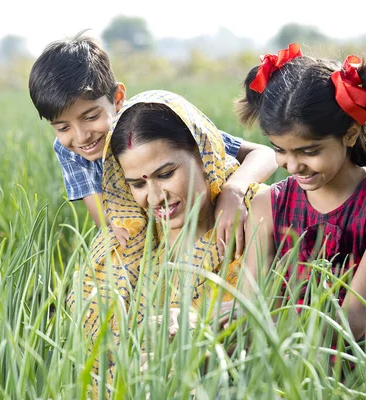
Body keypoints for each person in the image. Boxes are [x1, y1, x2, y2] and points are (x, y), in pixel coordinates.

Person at [231, 44, 366, 394]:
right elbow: (250, 302)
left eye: (309, 152)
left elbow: (357, 316)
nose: (293, 167)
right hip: (286, 346)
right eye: (280, 150)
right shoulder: (268, 203)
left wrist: (286, 347)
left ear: (350, 134)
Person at [68, 90, 260, 396]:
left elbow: (285, 323)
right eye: (138, 184)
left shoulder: (257, 219)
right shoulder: (122, 246)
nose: (155, 197)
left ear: (203, 154)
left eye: (166, 174)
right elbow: (94, 358)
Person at [28, 33, 276, 255]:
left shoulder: (150, 124)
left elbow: (264, 154)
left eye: (91, 117)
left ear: (117, 98)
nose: (81, 136)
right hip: (161, 236)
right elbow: (108, 222)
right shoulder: (69, 151)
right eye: (63, 127)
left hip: (215, 221)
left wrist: (233, 191)